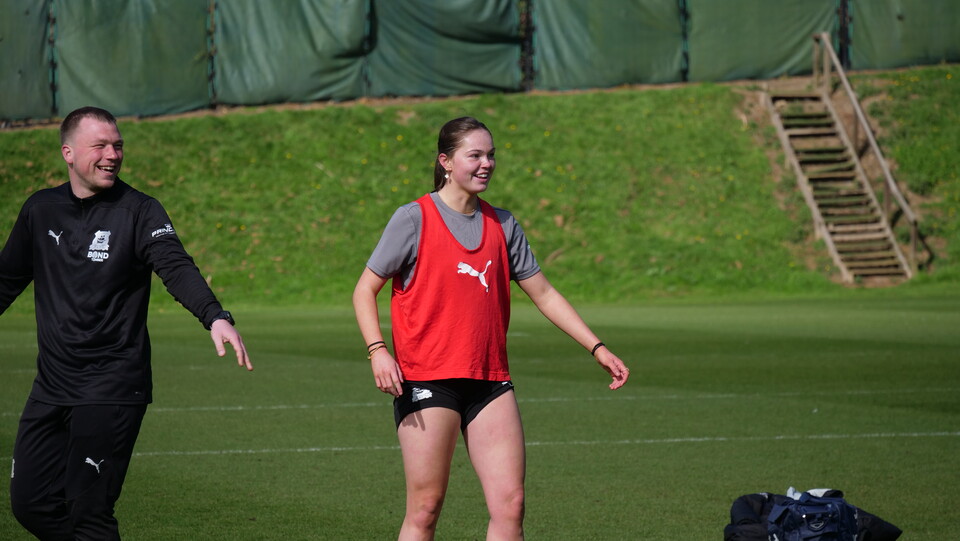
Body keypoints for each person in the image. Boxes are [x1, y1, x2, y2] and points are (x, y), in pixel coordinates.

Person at [352, 116, 629, 541]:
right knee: (425, 509)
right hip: (427, 380)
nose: (487, 164)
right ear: (446, 161)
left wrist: (598, 348)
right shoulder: (413, 218)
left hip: (490, 380)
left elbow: (546, 294)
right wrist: (377, 350)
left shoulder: (503, 224)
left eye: (491, 155)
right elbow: (364, 289)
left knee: (511, 506)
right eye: (475, 155)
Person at [0, 106, 253, 540]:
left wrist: (215, 316)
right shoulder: (41, 210)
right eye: (100, 145)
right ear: (68, 152)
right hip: (53, 385)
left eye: (117, 145)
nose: (112, 154)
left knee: (89, 512)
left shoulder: (140, 211)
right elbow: (6, 280)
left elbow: (175, 266)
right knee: (32, 504)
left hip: (113, 384)